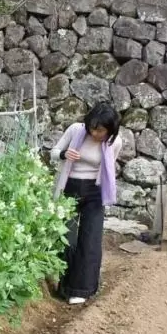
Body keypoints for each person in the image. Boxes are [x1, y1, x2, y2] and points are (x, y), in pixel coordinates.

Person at [50, 102, 123, 306]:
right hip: (69, 188)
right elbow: (53, 152)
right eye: (92, 127)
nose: (94, 132)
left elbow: (106, 170)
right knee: (67, 238)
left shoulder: (114, 143)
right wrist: (64, 155)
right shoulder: (75, 130)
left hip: (94, 192)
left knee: (90, 240)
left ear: (110, 130)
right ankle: (64, 286)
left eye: (100, 130)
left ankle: (81, 289)